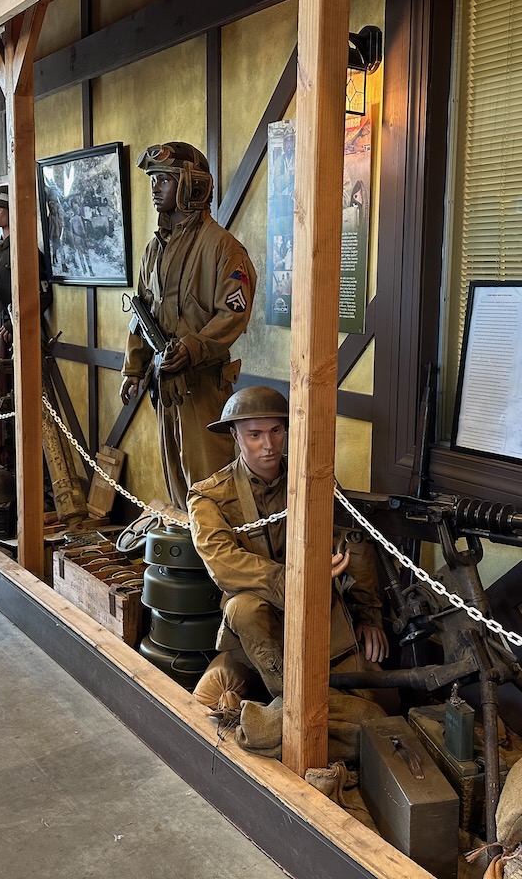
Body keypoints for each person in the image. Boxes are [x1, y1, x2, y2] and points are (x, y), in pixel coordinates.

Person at [187, 387, 387, 698]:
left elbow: (351, 542)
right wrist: (296, 579)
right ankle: (290, 701)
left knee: (378, 699)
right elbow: (223, 565)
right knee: (243, 607)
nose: (268, 446)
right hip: (258, 623)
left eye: (276, 431)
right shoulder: (209, 497)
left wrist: (368, 615)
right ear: (235, 436)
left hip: (321, 616)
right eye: (254, 435)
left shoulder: (313, 481)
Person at [121, 141, 258, 509]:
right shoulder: (154, 251)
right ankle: (189, 554)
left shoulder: (223, 248)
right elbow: (141, 313)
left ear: (191, 186)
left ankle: (220, 559)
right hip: (164, 383)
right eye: (153, 180)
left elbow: (234, 313)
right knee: (177, 481)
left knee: (212, 482)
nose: (154, 188)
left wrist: (193, 347)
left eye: (164, 179)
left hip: (204, 385)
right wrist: (133, 368)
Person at [0, 184, 53, 354]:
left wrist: (13, 324)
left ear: (12, 208)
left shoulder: (24, 250)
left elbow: (42, 294)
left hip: (13, 336)